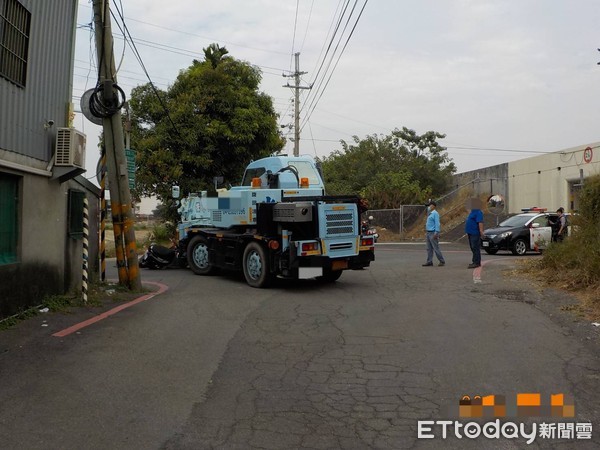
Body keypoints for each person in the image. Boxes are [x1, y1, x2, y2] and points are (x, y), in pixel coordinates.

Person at [422, 201, 445, 267]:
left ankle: (442, 261)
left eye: (430, 205)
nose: (429, 207)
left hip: (433, 232)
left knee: (435, 248)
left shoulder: (435, 213)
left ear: (433, 206)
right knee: (429, 248)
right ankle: (429, 261)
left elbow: (437, 223)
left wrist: (436, 232)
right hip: (428, 232)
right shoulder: (430, 213)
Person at [465, 198, 484, 269]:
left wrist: (481, 231)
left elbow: (480, 222)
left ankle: (477, 262)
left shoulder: (478, 212)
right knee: (472, 247)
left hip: (475, 233)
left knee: (475, 247)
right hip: (470, 232)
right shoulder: (472, 211)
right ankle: (474, 261)